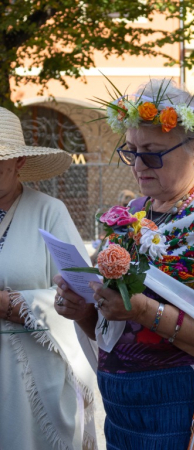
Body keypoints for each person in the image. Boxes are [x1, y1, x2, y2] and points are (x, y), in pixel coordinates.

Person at [54, 79, 194, 450]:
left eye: (152, 153)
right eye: (131, 151)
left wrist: (143, 309)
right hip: (122, 411)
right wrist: (83, 308)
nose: (137, 165)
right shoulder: (134, 213)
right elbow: (110, 330)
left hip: (188, 410)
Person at [0, 107, 97, 450]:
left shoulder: (49, 211)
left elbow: (87, 294)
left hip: (37, 384)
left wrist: (15, 304)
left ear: (20, 163)